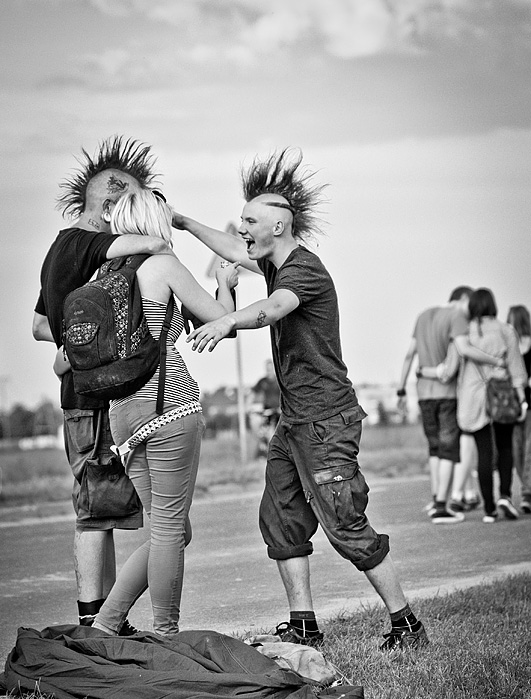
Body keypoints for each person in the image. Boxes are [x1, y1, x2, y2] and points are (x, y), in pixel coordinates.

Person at [173, 148, 427, 652]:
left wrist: (226, 320)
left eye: (250, 221)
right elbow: (232, 247)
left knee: (344, 523)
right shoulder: (274, 261)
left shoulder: (302, 271)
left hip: (326, 419)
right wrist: (182, 222)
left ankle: (407, 624)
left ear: (279, 226)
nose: (242, 229)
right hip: (294, 422)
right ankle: (304, 625)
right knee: (281, 520)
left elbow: (274, 308)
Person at [80, 188, 237, 637]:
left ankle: (106, 624)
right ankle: (167, 635)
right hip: (168, 405)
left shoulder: (104, 275)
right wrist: (225, 285)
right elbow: (221, 321)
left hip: (122, 415)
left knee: (172, 529)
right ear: (154, 221)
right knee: (169, 530)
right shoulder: (162, 265)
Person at [32, 136, 173, 630]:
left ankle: (106, 619)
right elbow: (154, 244)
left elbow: (39, 326)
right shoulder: (83, 243)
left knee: (104, 508)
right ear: (111, 206)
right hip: (93, 400)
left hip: (80, 395)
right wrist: (162, 227)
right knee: (95, 510)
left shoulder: (60, 251)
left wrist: (76, 343)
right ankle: (95, 621)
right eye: (130, 202)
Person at [397, 287, 504, 523]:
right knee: (448, 450)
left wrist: (402, 389)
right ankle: (441, 506)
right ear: (463, 299)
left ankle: (436, 497)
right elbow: (462, 351)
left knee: (434, 449)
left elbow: (409, 355)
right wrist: (496, 361)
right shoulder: (457, 317)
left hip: (423, 394)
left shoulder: (423, 315)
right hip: (446, 394)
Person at [420, 289, 527, 523]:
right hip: (502, 396)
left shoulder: (463, 332)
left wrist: (424, 371)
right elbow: (517, 368)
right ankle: (505, 496)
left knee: (484, 453)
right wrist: (522, 399)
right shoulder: (505, 330)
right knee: (505, 447)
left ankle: (489, 509)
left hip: (473, 399)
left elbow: (449, 370)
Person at [506, 305, 531, 513]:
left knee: (517, 449)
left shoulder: (508, 345)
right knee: (527, 447)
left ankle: (526, 490)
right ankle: (527, 492)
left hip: (511, 404)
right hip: (526, 403)